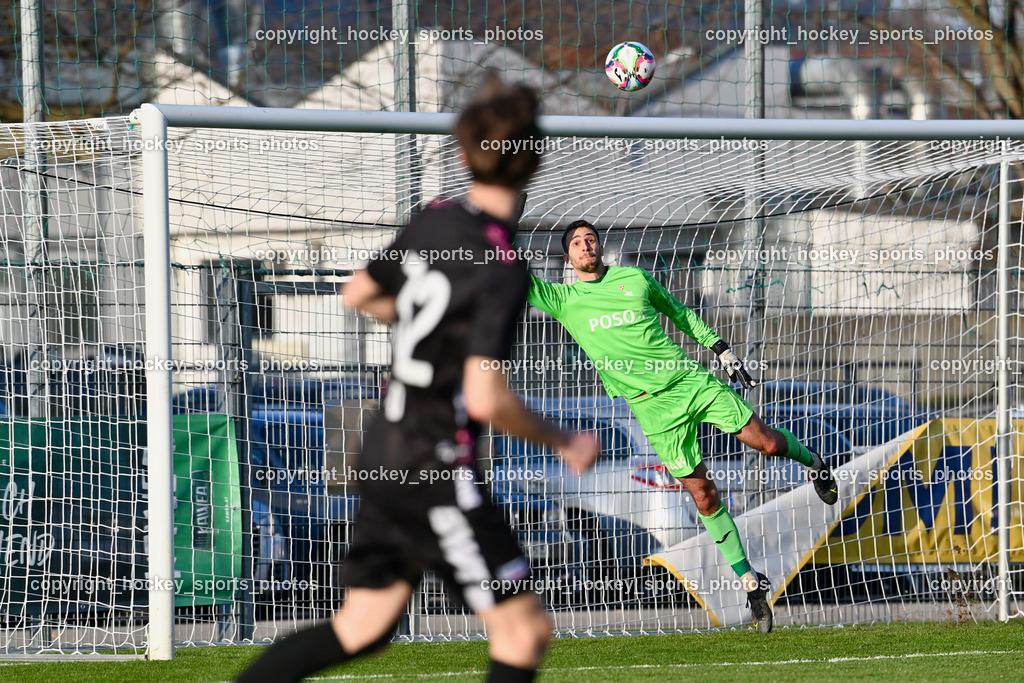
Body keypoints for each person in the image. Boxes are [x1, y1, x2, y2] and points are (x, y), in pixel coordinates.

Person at [236, 81, 599, 683]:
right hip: (435, 465)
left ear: (462, 156)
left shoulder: (435, 220)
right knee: (524, 629)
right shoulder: (505, 270)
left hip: (382, 450)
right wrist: (562, 441)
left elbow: (359, 292)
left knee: (364, 626)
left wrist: (428, 337)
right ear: (536, 159)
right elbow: (485, 396)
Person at [526, 219, 839, 634]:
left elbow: (681, 313)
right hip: (652, 410)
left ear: (599, 247)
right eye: (577, 243)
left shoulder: (633, 279)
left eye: (591, 239)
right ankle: (750, 582)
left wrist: (721, 350)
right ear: (567, 256)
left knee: (765, 444)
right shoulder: (562, 299)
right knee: (704, 496)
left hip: (690, 382)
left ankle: (813, 461)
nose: (586, 246)